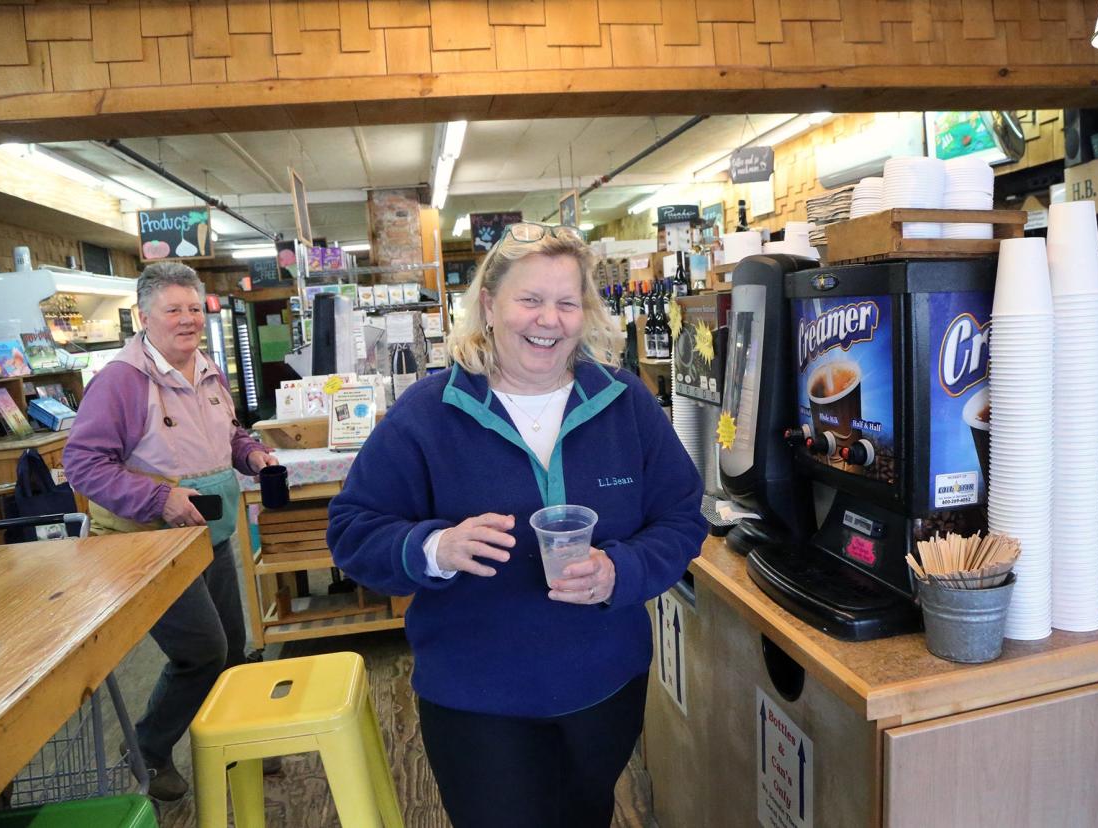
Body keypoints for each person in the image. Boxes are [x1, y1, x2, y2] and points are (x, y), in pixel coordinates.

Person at [327, 222, 706, 828]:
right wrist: (434, 547)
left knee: (587, 815)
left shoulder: (625, 403)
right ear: (489, 305)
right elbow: (350, 529)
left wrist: (620, 570)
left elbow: (682, 516)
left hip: (605, 687)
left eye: (567, 302)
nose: (548, 320)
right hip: (477, 700)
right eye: (530, 299)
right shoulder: (430, 413)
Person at [63, 261, 278, 800]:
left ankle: (231, 744)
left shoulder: (207, 368)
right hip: (151, 543)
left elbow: (225, 433)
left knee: (232, 648)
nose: (187, 320)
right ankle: (148, 752)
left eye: (192, 308)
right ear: (144, 316)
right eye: (172, 309)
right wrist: (161, 496)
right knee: (202, 650)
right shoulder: (121, 381)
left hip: (212, 531)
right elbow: (84, 464)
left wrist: (251, 453)